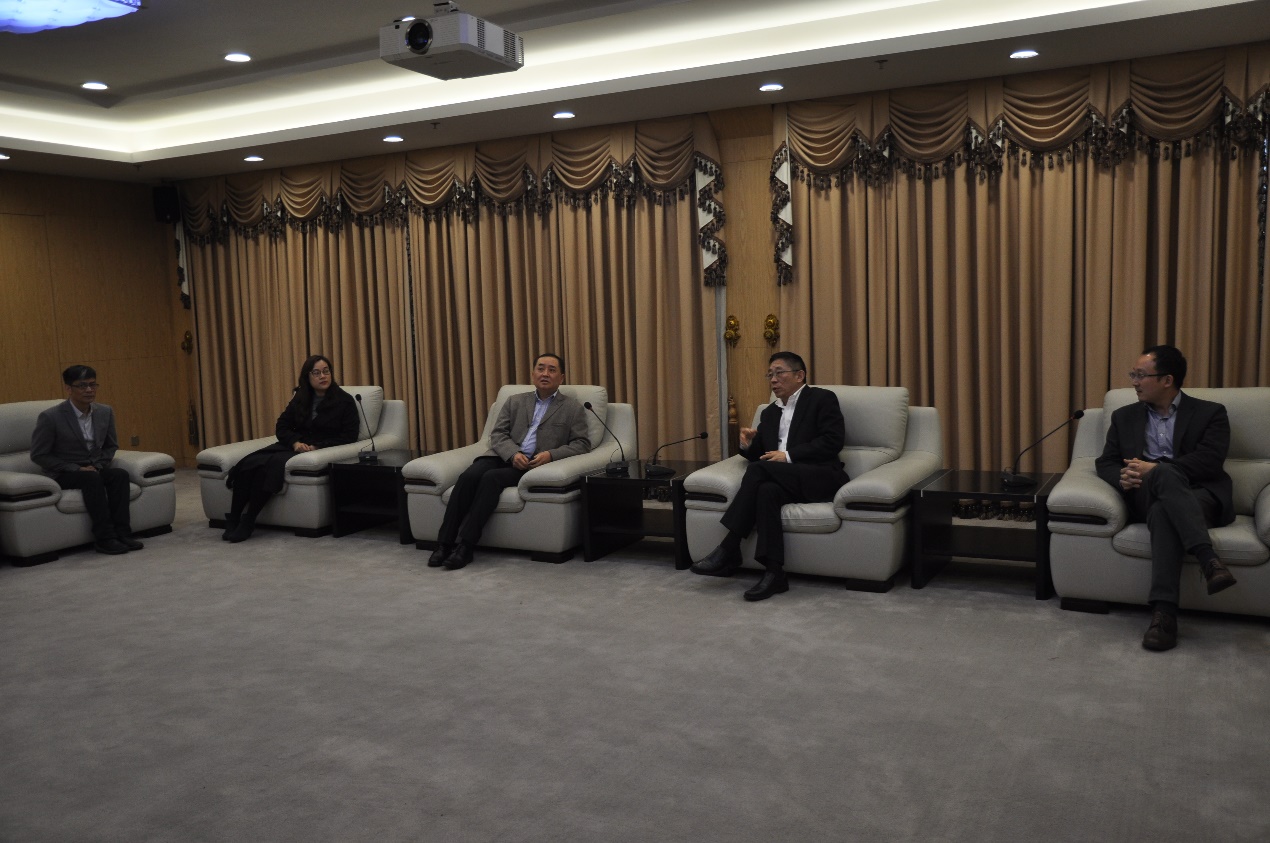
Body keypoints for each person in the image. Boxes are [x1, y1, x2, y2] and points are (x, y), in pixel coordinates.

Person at [1096, 345, 1237, 652]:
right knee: (1161, 478)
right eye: (1133, 374)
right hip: (1143, 494)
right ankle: (1208, 560)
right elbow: (1105, 462)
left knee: (1163, 507)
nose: (1134, 382)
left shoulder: (1211, 413)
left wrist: (1158, 469)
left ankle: (1164, 615)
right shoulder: (1123, 417)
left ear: (1167, 380)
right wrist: (1121, 477)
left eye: (1141, 375)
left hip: (1199, 495)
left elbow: (1210, 461)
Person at [690, 351, 849, 601]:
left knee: (758, 471)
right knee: (766, 490)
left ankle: (730, 546)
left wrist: (788, 455)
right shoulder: (769, 413)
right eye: (770, 375)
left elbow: (832, 441)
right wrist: (747, 445)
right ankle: (775, 573)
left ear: (799, 375)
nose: (773, 380)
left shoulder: (822, 399)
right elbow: (762, 455)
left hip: (820, 477)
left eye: (779, 373)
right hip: (785, 480)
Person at [430, 353, 591, 570]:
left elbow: (582, 443)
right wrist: (513, 454)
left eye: (552, 370)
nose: (545, 373)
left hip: (532, 464)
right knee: (468, 476)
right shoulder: (515, 401)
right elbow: (497, 434)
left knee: (491, 479)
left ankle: (466, 546)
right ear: (533, 374)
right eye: (541, 368)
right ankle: (444, 544)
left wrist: (551, 455)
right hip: (502, 456)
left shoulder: (572, 408)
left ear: (561, 377)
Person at [223, 354, 359, 543]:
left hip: (316, 448)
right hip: (292, 445)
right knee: (250, 463)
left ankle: (249, 520)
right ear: (307, 377)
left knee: (269, 468)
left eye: (326, 371)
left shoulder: (345, 401)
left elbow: (349, 436)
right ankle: (233, 518)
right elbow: (282, 425)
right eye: (317, 373)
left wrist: (317, 446)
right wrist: (294, 443)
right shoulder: (301, 396)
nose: (323, 376)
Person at [30, 365, 142, 555]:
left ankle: (123, 533)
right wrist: (75, 468)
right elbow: (39, 455)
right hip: (63, 472)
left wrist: (98, 465)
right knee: (91, 479)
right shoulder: (51, 417)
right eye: (82, 386)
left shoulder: (105, 412)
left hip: (94, 467)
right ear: (69, 388)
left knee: (120, 475)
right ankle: (105, 538)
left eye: (92, 385)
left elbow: (111, 446)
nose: (89, 390)